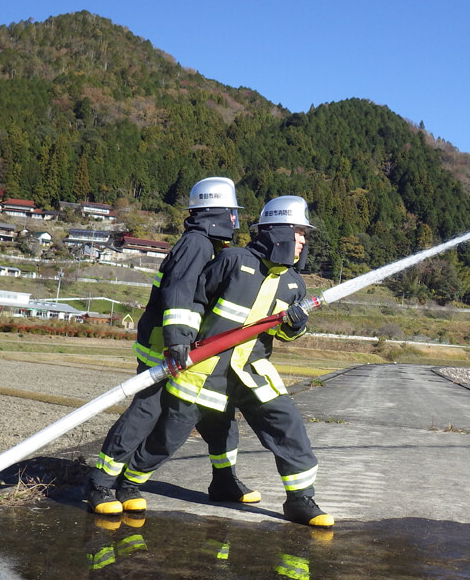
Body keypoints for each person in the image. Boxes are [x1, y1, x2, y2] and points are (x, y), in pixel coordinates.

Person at [120, 195, 333, 528]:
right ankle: (130, 481)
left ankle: (300, 500)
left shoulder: (295, 284)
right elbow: (193, 301)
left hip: (252, 372)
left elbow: (287, 336)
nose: (304, 241)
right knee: (172, 434)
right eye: (299, 232)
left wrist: (295, 324)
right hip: (208, 369)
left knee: (288, 425)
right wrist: (180, 340)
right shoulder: (232, 261)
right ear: (277, 231)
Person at [85, 176, 259, 515]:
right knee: (146, 412)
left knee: (193, 417)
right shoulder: (196, 244)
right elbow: (178, 292)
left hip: (181, 350)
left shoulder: (208, 246)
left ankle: (128, 483)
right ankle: (100, 484)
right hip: (163, 348)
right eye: (232, 214)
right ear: (219, 213)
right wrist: (178, 341)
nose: (236, 222)